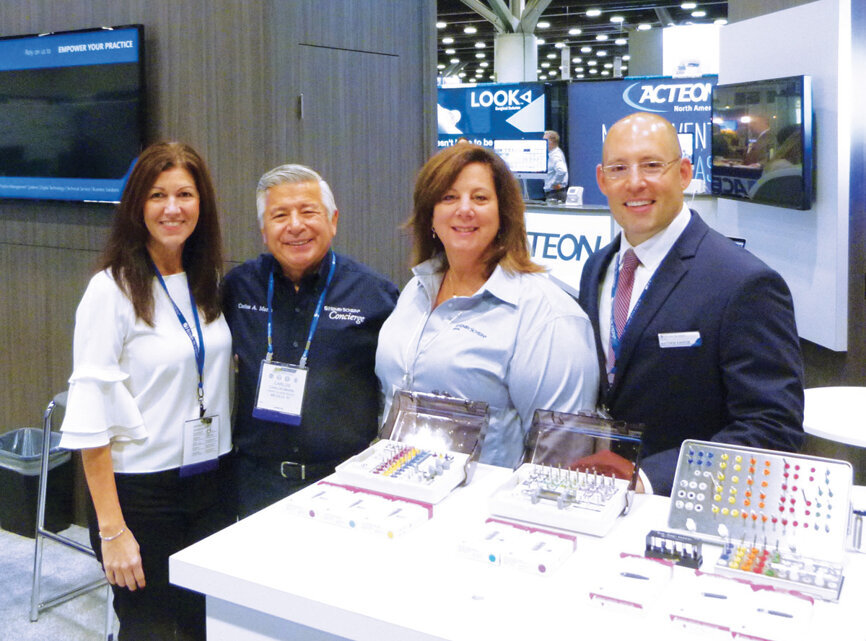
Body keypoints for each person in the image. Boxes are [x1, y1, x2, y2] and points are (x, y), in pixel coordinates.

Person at [578, 112, 805, 496]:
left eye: (652, 165)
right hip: (600, 499)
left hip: (687, 509)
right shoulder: (597, 268)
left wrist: (651, 480)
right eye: (619, 169)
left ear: (683, 173)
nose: (635, 182)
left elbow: (772, 427)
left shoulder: (742, 282)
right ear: (602, 180)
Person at [59, 142, 233, 640]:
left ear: (202, 204)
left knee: (204, 626)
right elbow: (91, 418)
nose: (172, 207)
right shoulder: (110, 290)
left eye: (184, 194)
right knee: (152, 629)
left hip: (209, 482)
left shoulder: (208, 281)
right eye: (157, 195)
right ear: (137, 205)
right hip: (141, 494)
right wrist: (112, 531)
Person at [376, 144, 599, 469]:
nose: (464, 209)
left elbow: (558, 461)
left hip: (480, 512)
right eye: (448, 197)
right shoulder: (415, 289)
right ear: (430, 216)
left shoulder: (549, 316)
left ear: (503, 213)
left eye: (480, 198)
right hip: (400, 495)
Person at [222, 164, 399, 518]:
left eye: (308, 211)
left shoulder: (375, 295)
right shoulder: (237, 288)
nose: (295, 225)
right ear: (263, 229)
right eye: (280, 215)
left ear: (332, 220)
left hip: (343, 482)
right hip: (256, 483)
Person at [543, 130, 569, 202]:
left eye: (544, 140)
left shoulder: (555, 155)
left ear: (550, 142)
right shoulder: (553, 154)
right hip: (554, 193)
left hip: (555, 194)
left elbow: (562, 170)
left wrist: (554, 183)